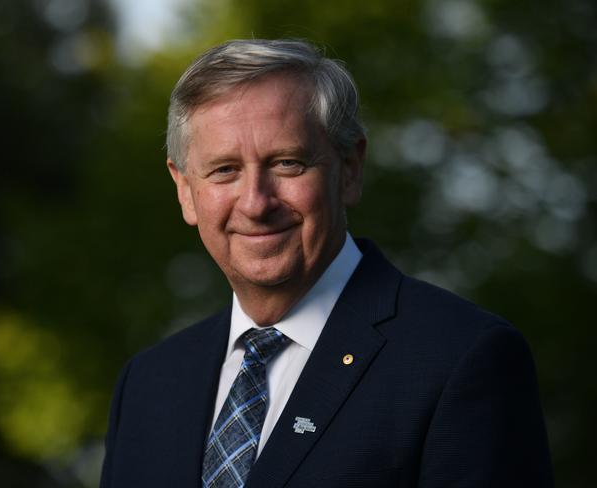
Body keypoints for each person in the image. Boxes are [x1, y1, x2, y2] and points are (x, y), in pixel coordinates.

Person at [100, 39, 553, 488]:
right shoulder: (147, 385)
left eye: (287, 163)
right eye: (224, 170)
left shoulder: (460, 359)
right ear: (184, 190)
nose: (256, 203)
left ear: (350, 169)